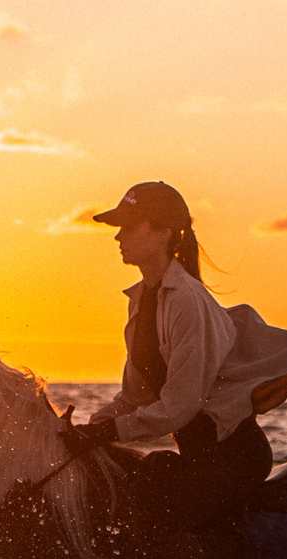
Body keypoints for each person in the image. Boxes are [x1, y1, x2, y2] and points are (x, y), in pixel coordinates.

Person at [68, 180, 272, 533]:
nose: (118, 237)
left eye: (128, 227)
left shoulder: (186, 302)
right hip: (198, 458)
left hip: (233, 460)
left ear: (163, 233)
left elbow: (179, 407)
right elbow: (134, 398)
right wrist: (89, 430)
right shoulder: (142, 299)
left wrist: (107, 432)